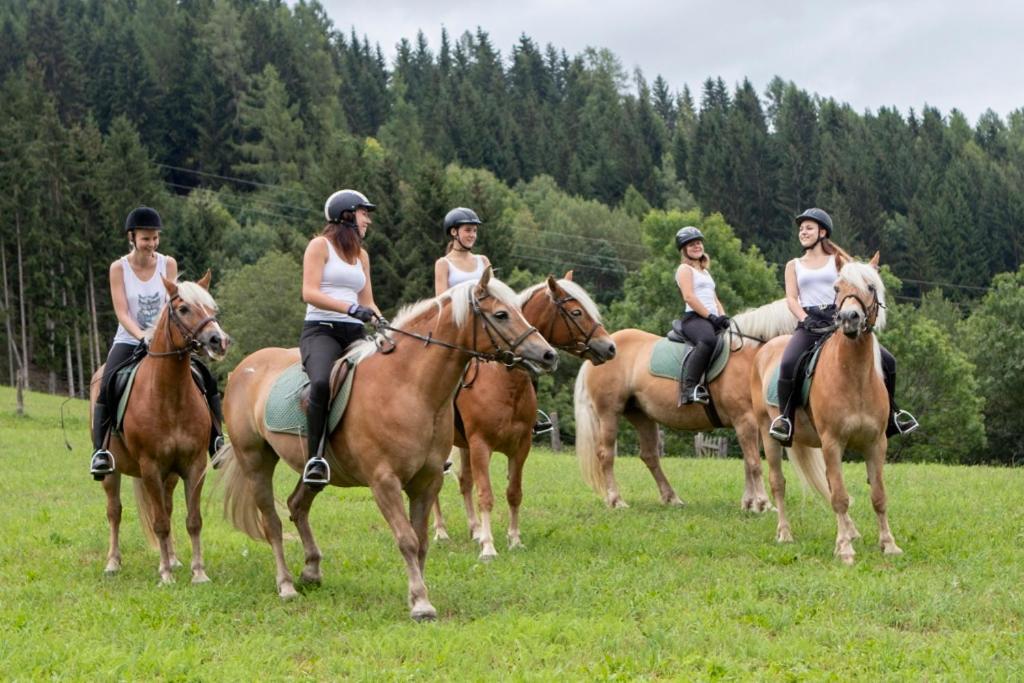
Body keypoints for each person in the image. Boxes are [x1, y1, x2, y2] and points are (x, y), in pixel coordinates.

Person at [89, 207, 224, 479]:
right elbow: (122, 312)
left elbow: (172, 303)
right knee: (106, 385)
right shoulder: (119, 268)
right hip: (130, 339)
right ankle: (101, 451)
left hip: (166, 338)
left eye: (154, 238)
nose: (151, 244)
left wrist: (169, 336)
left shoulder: (167, 264)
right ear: (132, 237)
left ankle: (217, 441)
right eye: (145, 238)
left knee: (206, 379)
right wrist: (141, 337)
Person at [768, 208, 919, 445]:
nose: (803, 232)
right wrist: (803, 318)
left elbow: (861, 280)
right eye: (801, 229)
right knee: (788, 363)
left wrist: (870, 274)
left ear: (822, 231)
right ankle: (786, 420)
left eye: (808, 228)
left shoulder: (839, 261)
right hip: (809, 323)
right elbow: (791, 298)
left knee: (888, 361)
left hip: (841, 321)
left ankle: (892, 415)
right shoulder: (793, 265)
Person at [300, 189, 383, 487]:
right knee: (321, 382)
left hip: (355, 332)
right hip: (321, 330)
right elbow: (309, 292)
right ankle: (315, 458)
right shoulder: (319, 246)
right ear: (347, 215)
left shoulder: (362, 256)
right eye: (364, 213)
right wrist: (350, 307)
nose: (368, 221)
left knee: (392, 373)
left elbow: (368, 300)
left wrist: (384, 322)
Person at [674, 226, 730, 405]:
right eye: (691, 244)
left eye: (698, 243)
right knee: (708, 340)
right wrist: (710, 317)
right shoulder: (684, 269)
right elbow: (689, 297)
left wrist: (723, 316)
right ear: (684, 249)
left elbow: (714, 298)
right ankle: (689, 388)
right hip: (694, 319)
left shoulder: (705, 272)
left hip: (711, 318)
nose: (697, 246)